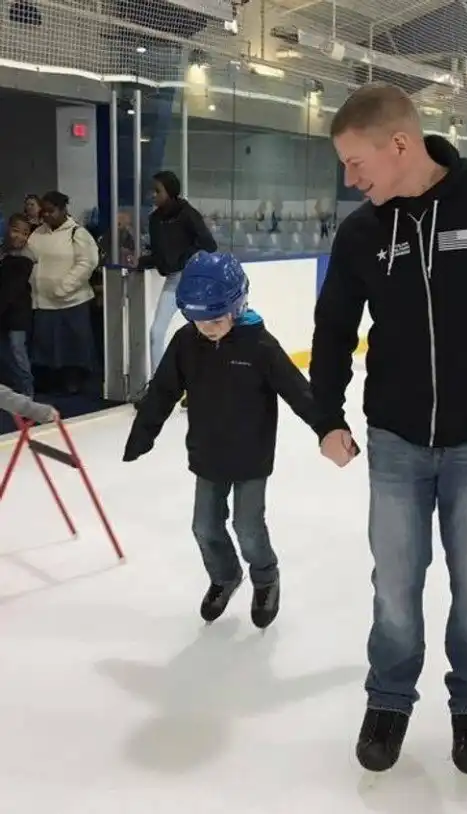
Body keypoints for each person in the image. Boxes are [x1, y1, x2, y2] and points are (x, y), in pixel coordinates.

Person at [309, 82, 467, 776]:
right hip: (395, 442)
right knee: (394, 587)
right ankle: (389, 698)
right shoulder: (362, 232)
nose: (350, 178)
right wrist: (326, 415)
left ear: (399, 144)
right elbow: (332, 330)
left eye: (356, 162)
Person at [123, 251, 323, 627]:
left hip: (251, 455)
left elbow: (299, 392)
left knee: (248, 527)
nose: (207, 328)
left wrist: (327, 428)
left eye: (215, 320)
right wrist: (142, 435)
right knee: (204, 526)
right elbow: (163, 391)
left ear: (237, 306)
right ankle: (225, 576)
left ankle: (266, 578)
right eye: (198, 321)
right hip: (207, 452)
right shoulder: (186, 342)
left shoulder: (259, 346)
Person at [137, 171, 217, 384]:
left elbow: (209, 244)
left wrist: (184, 258)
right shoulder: (155, 219)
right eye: (152, 190)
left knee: (203, 332)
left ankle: (207, 380)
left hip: (193, 280)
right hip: (172, 281)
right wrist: (145, 261)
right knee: (156, 332)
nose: (153, 195)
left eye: (158, 191)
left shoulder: (187, 214)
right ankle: (159, 384)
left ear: (171, 192)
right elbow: (160, 254)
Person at [28, 191, 100, 395]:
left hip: (72, 300)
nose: (46, 215)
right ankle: (51, 380)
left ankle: (74, 380)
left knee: (73, 344)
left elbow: (87, 263)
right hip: (42, 301)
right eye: (44, 211)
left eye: (51, 211)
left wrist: (64, 287)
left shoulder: (77, 233)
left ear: (63, 210)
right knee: (46, 344)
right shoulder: (37, 233)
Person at [0, 214, 35, 396]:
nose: (19, 236)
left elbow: (11, 290)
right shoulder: (4, 254)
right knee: (7, 357)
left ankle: (28, 394)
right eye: (15, 231)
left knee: (18, 353)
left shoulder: (25, 259)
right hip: (4, 316)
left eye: (25, 233)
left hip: (18, 316)